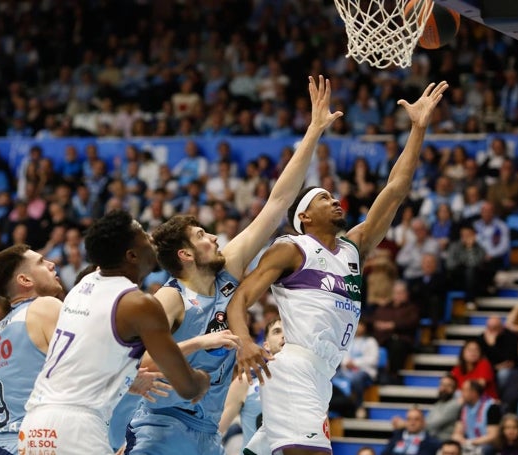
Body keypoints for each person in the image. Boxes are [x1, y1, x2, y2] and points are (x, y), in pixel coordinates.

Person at [124, 76, 345, 455]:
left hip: (208, 432)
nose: (213, 238)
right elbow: (134, 361)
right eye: (201, 236)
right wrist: (202, 341)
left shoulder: (228, 270)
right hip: (163, 427)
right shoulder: (170, 300)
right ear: (185, 255)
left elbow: (277, 202)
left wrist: (313, 132)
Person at [227, 81, 449, 455]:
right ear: (305, 217)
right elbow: (240, 297)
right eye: (324, 198)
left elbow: (395, 189)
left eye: (333, 196)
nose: (336, 201)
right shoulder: (291, 249)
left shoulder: (353, 248)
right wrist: (244, 341)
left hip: (323, 374)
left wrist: (418, 128)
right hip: (295, 366)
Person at [18, 210, 211, 454]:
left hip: (34, 425)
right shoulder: (139, 304)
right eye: (143, 234)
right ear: (131, 255)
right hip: (77, 427)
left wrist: (127, 380)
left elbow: (92, 356)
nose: (150, 238)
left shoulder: (81, 287)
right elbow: (186, 387)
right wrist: (202, 380)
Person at [0, 244, 65, 454]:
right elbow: (87, 364)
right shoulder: (45, 306)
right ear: (25, 280)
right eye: (42, 262)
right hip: (31, 442)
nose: (52, 264)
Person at [219, 318, 285, 453]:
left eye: (289, 331)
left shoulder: (308, 382)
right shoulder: (245, 382)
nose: (284, 335)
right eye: (277, 332)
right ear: (266, 345)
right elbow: (217, 430)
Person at [392, 374, 461, 441]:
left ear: (454, 389)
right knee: (399, 435)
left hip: (442, 442)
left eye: (448, 386)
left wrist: (405, 424)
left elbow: (431, 425)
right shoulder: (438, 404)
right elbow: (426, 421)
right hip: (430, 439)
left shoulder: (455, 405)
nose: (444, 388)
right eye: (442, 385)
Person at [451, 380, 502, 455]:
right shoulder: (464, 408)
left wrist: (471, 442)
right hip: (468, 443)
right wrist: (460, 439)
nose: (462, 393)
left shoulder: (491, 407)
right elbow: (457, 433)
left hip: (486, 445)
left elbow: (493, 436)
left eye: (464, 390)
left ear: (474, 393)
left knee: (487, 449)